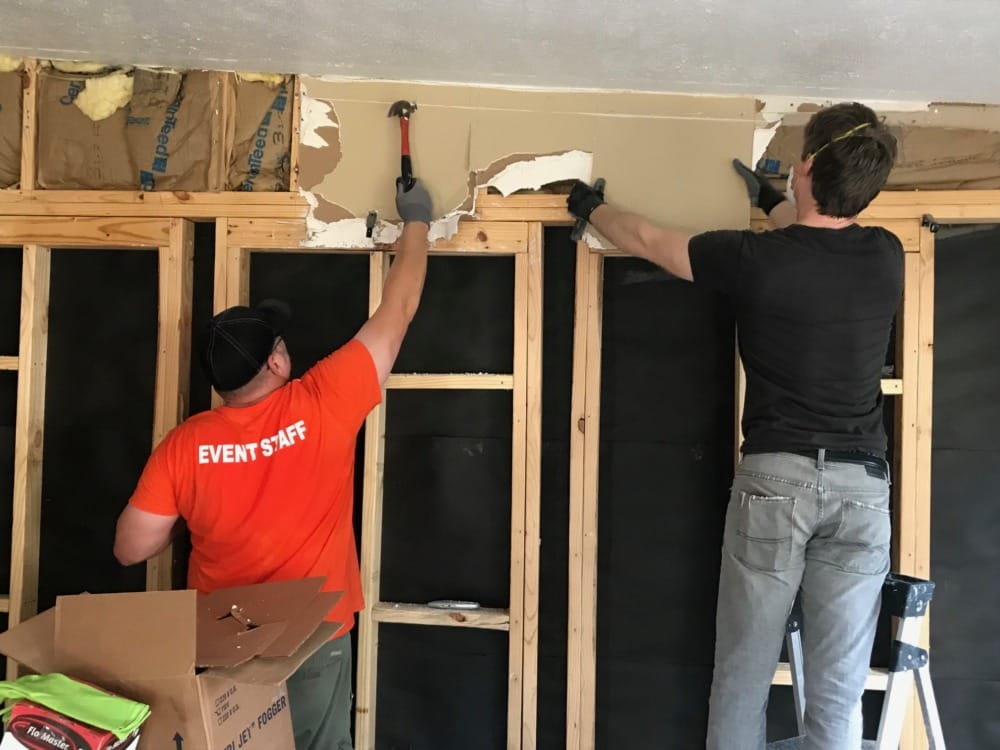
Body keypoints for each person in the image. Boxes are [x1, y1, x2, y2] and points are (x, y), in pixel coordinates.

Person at [566, 102, 901, 750]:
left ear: (806, 166)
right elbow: (816, 238)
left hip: (778, 482)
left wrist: (590, 207)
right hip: (862, 494)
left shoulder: (756, 260)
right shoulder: (885, 257)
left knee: (743, 676)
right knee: (838, 698)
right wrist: (776, 198)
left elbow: (647, 240)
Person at [113, 176, 434, 750]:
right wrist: (416, 222)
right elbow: (400, 306)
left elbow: (131, 549)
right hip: (313, 637)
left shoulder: (185, 445)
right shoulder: (325, 400)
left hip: (223, 640)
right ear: (279, 361)